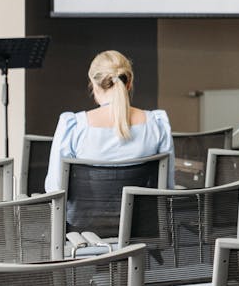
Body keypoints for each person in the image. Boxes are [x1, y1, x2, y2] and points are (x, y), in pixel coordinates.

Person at [44, 50, 175, 192]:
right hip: (142, 215)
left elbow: (55, 189)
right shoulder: (157, 124)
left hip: (84, 215)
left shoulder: (73, 127)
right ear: (129, 83)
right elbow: (167, 188)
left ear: (94, 85)